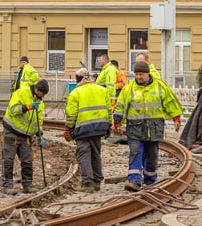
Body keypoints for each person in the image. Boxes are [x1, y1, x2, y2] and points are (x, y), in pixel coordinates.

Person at [114, 60, 183, 192]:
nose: (139, 77)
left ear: (148, 74)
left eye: (141, 74)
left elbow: (170, 102)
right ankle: (133, 181)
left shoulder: (159, 86)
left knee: (152, 154)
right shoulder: (129, 88)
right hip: (135, 128)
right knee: (136, 152)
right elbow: (120, 105)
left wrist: (176, 118)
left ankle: (150, 180)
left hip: (154, 129)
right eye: (137, 74)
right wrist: (117, 121)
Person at [64, 68, 112, 192]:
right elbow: (108, 109)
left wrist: (69, 129)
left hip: (82, 129)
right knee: (96, 153)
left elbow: (71, 115)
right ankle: (97, 181)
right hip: (99, 128)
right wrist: (109, 126)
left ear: (78, 79)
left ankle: (87, 183)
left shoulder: (75, 93)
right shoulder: (102, 90)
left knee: (84, 154)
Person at [1, 79, 49, 195]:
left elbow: (38, 121)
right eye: (41, 94)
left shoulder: (40, 103)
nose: (42, 97)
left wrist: (39, 135)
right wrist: (28, 107)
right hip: (11, 131)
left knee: (27, 160)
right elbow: (13, 110)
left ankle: (27, 184)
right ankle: (7, 185)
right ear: (37, 89)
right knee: (8, 160)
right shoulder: (21, 93)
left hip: (26, 135)